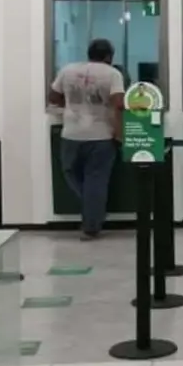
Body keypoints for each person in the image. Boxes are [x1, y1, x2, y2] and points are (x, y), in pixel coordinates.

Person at [49, 39, 124, 241]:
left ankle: (92, 212)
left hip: (71, 134)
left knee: (70, 172)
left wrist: (71, 104)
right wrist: (119, 133)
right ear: (109, 56)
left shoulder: (68, 70)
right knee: (96, 181)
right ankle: (92, 220)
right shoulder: (113, 74)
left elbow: (53, 97)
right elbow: (118, 104)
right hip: (101, 136)